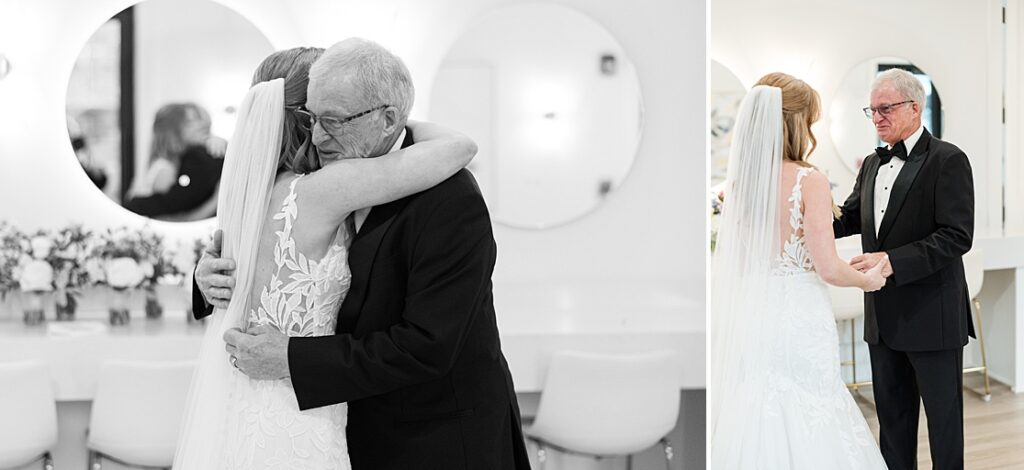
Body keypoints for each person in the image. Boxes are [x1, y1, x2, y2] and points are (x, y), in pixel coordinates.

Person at [192, 38, 531, 470]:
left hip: (435, 437)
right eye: (312, 118)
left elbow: (428, 345)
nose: (318, 134)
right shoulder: (310, 186)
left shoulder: (446, 195)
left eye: (332, 119)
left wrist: (292, 358)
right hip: (337, 423)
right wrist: (208, 279)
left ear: (387, 117)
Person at [708, 72, 888, 469]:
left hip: (756, 315)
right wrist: (868, 279)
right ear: (794, 122)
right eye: (809, 120)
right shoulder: (809, 180)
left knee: (758, 408)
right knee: (813, 404)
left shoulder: (739, 185)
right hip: (800, 318)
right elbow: (828, 268)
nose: (811, 130)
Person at [834, 68, 975, 470]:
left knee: (944, 425)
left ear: (915, 108)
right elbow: (849, 218)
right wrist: (801, 219)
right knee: (892, 425)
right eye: (872, 110)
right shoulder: (871, 165)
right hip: (883, 317)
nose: (877, 117)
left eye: (885, 108)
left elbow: (956, 236)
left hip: (933, 315)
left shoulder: (948, 159)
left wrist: (892, 261)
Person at [123, 103, 227, 220]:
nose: (202, 126)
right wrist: (216, 200)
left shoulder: (166, 163)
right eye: (190, 122)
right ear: (174, 130)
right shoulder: (165, 169)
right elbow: (176, 221)